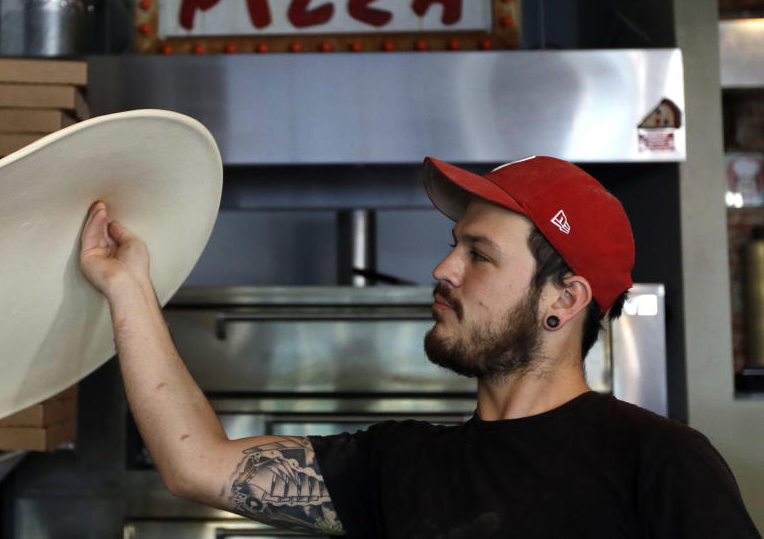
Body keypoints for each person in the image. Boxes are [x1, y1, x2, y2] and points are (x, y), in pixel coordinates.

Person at [79, 155, 762, 538]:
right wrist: (128, 285)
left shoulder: (660, 463)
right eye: (451, 246)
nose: (443, 270)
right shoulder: (398, 463)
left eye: (479, 255)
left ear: (565, 299)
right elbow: (195, 466)